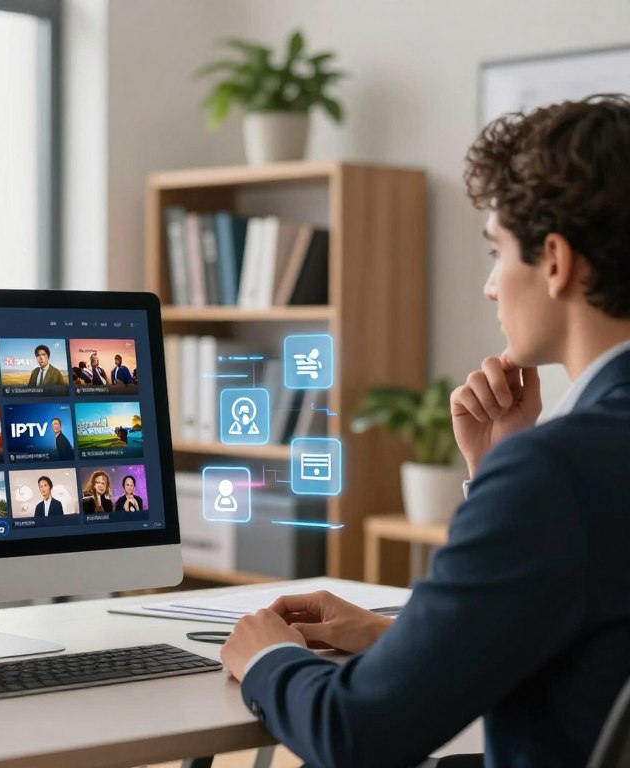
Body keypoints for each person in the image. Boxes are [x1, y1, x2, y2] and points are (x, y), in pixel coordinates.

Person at [220, 95, 630, 768]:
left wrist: (267, 659)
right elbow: (591, 640)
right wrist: (397, 635)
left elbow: (353, 732)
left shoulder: (557, 473)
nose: (491, 287)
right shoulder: (561, 466)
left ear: (556, 261)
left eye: (497, 251)